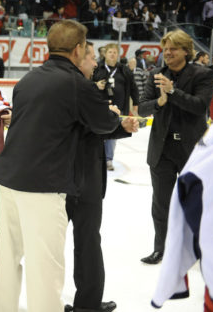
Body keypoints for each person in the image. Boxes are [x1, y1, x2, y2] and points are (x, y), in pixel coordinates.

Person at [0, 19, 120, 312]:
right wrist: (116, 117)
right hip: (43, 185)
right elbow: (103, 123)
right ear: (77, 50)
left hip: (9, 179)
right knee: (45, 271)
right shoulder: (75, 83)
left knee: (8, 261)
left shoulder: (27, 80)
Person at [64, 41, 138, 312]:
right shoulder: (79, 88)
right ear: (76, 56)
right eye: (91, 57)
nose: (95, 63)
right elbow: (91, 124)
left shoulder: (81, 86)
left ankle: (85, 303)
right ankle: (75, 303)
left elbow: (90, 129)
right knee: (82, 243)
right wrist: (113, 120)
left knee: (87, 243)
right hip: (73, 179)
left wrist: (118, 124)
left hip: (78, 178)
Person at [138, 29, 213, 265]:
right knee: (160, 204)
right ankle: (161, 249)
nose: (167, 52)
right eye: (165, 48)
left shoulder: (202, 75)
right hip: (162, 150)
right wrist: (160, 101)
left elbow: (200, 106)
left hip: (192, 151)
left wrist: (172, 91)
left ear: (185, 51)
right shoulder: (156, 74)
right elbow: (142, 109)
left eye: (173, 48)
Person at [93, 44, 139, 170]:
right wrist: (95, 85)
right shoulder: (97, 68)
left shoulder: (124, 70)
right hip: (99, 108)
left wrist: (135, 105)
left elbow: (134, 88)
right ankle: (95, 157)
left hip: (118, 109)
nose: (112, 54)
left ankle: (108, 159)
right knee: (97, 133)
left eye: (115, 52)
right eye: (110, 52)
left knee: (112, 133)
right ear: (105, 54)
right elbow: (87, 84)